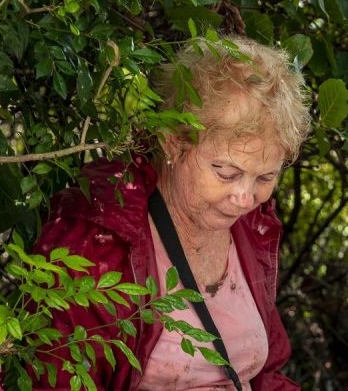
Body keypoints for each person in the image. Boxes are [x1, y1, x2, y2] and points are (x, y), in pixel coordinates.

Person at [24, 36, 311, 390]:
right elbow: (50, 377)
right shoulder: (97, 239)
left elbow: (268, 372)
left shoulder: (252, 227)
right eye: (226, 172)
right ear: (173, 141)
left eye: (266, 177)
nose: (244, 197)